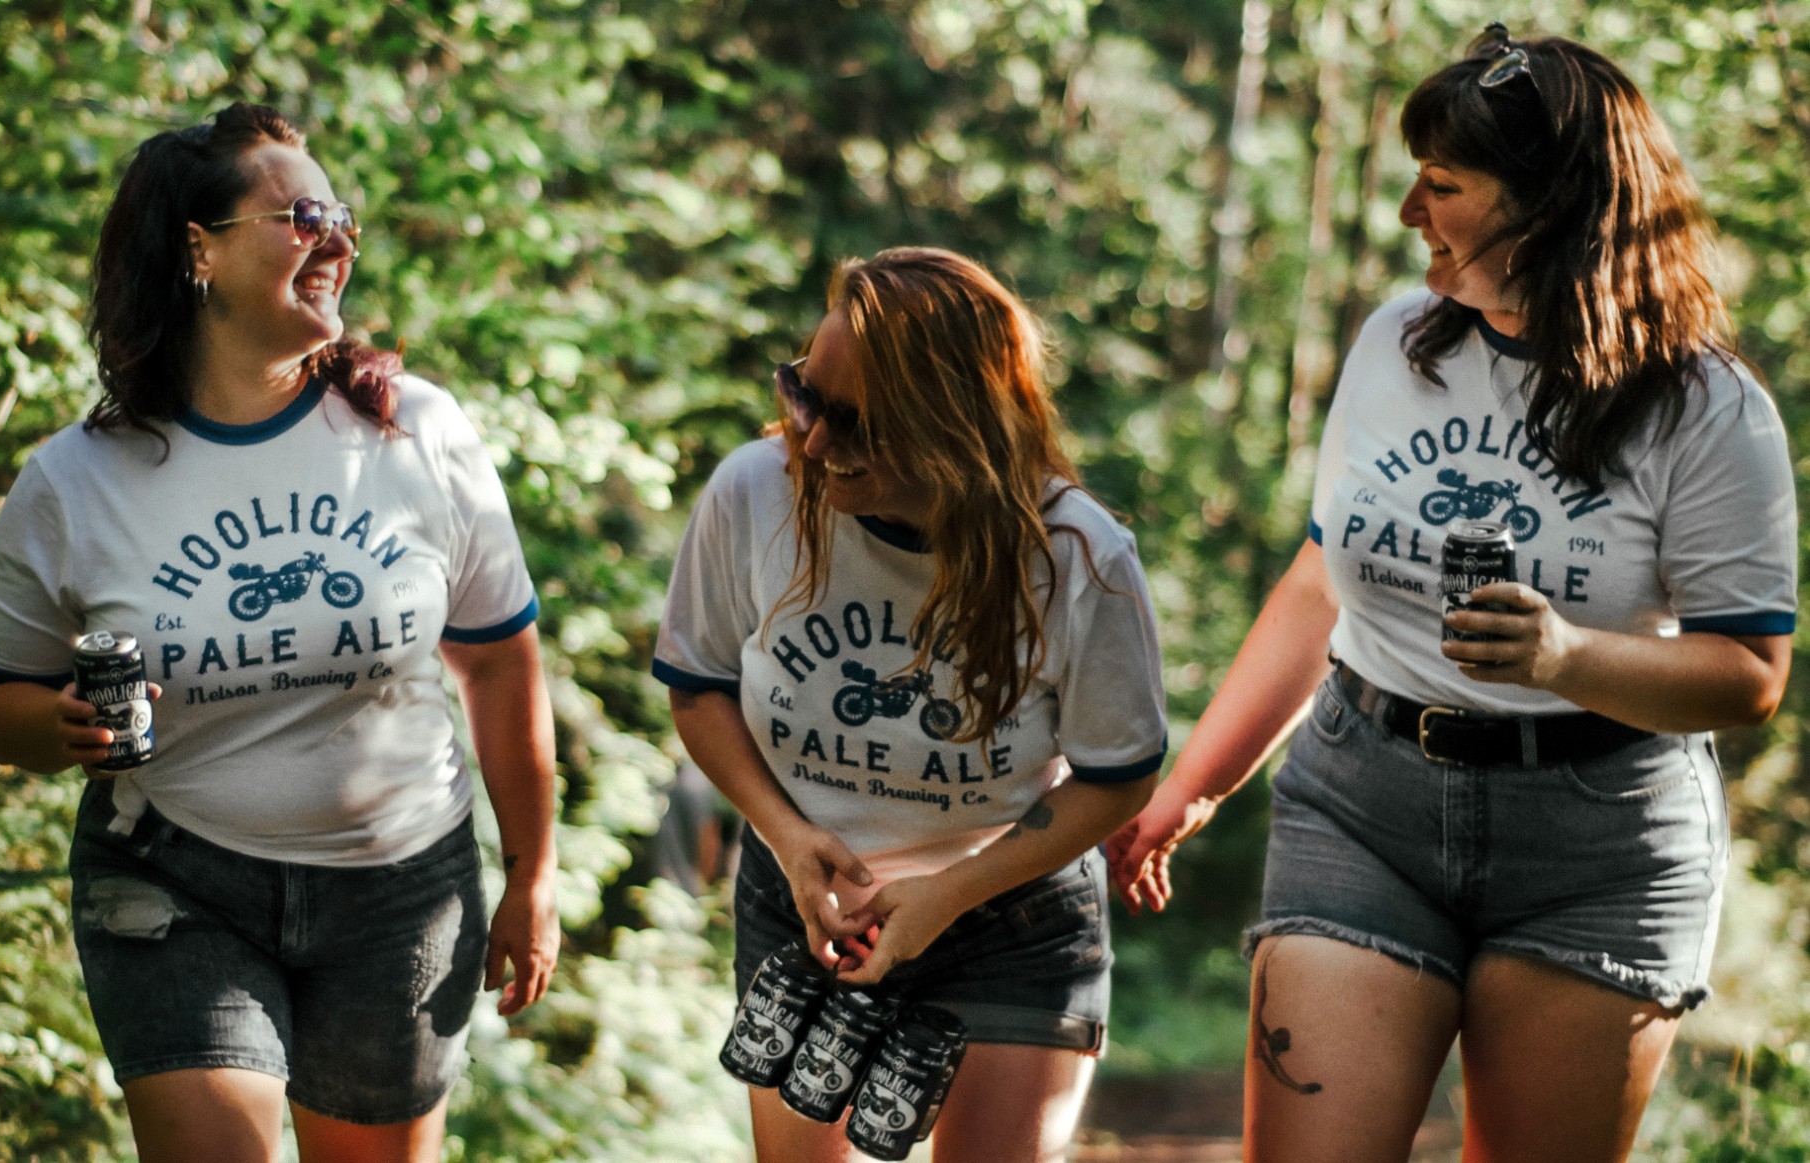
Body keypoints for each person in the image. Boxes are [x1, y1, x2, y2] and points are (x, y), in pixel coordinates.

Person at [1107, 26, 1795, 1163]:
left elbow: (1748, 676)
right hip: (1362, 806)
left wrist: (1566, 655)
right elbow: (1318, 582)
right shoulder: (1395, 346)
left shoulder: (1708, 410)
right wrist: (1194, 784)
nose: (1407, 213)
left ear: (1554, 207)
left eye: (1442, 185)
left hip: (1599, 842)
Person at [0, 103, 561, 1163]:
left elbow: (502, 663)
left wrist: (534, 869)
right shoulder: (74, 480)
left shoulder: (417, 430)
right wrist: (62, 727)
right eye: (301, 212)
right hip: (177, 878)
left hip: (402, 888)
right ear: (200, 248)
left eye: (343, 216)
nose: (336, 238)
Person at [655, 247, 1167, 1162]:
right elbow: (698, 689)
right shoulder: (753, 491)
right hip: (811, 907)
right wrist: (782, 832)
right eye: (803, 395)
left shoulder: (1076, 555)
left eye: (852, 422)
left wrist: (948, 894)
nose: (810, 441)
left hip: (1009, 911)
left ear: (954, 425)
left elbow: (1118, 777)